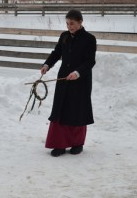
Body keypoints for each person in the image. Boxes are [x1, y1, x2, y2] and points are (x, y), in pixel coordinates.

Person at [41, 9, 97, 157]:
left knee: (77, 111)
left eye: (72, 23)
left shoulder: (89, 39)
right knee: (61, 110)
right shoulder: (64, 36)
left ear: (80, 22)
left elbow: (90, 61)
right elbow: (57, 53)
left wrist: (77, 73)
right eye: (67, 23)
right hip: (64, 80)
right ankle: (59, 144)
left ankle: (77, 144)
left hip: (81, 81)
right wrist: (47, 65)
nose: (69, 26)